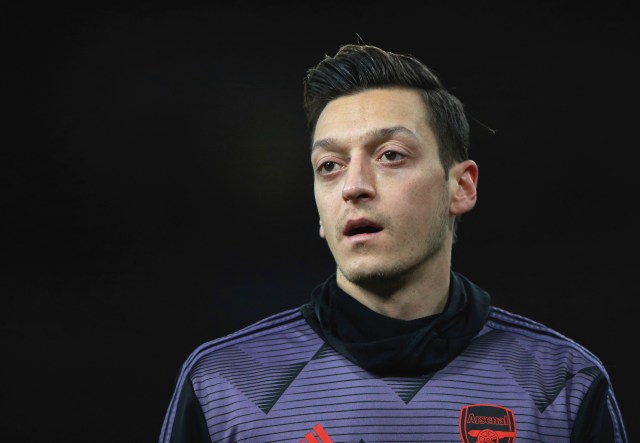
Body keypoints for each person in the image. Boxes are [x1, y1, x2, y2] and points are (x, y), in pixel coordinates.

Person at [158, 43, 629, 443]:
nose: (353, 186)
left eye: (390, 155)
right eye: (330, 166)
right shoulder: (223, 382)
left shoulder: (563, 383)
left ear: (461, 187)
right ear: (319, 210)